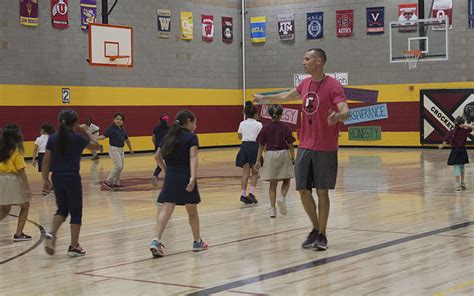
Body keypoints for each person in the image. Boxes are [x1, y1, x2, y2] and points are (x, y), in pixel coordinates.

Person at [253, 48, 349, 250]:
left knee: (322, 191)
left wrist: (337, 117)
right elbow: (287, 96)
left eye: (307, 59)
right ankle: (315, 228)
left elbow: (345, 111)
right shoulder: (305, 83)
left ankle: (322, 234)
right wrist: (264, 98)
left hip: (325, 147)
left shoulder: (333, 85)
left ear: (319, 61)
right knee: (303, 190)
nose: (303, 62)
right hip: (305, 145)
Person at [150, 109, 208, 258]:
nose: (196, 125)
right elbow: (193, 157)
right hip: (185, 176)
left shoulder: (169, 136)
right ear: (188, 121)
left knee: (167, 208)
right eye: (195, 122)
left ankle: (156, 241)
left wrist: (166, 170)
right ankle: (197, 242)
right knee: (192, 211)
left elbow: (157, 156)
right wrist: (193, 178)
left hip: (171, 176)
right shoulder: (191, 138)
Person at [43, 109, 101, 257]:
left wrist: (45, 179)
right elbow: (97, 146)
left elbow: (46, 161)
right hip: (72, 178)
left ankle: (51, 234)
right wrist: (86, 132)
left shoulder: (53, 138)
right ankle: (74, 246)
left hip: (57, 177)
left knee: (62, 210)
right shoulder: (78, 139)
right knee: (76, 212)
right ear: (75, 123)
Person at [255, 104, 295, 218]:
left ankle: (272, 209)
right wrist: (293, 157)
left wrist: (258, 160)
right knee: (287, 180)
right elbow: (290, 144)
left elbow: (261, 145)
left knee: (273, 184)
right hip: (283, 154)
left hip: (270, 155)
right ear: (281, 115)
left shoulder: (265, 127)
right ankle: (282, 197)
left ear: (269, 115)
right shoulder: (285, 127)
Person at [0, 124, 33, 242]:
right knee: (25, 206)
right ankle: (19, 233)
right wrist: (27, 188)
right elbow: (21, 172)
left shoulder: (1, 149)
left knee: (4, 209)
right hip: (11, 180)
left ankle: (19, 233)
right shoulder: (16, 150)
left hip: (0, 179)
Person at [236, 101, 262, 204]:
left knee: (245, 172)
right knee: (255, 172)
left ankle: (243, 194)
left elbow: (239, 136)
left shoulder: (242, 123)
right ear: (255, 113)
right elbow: (261, 139)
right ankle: (251, 193)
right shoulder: (259, 124)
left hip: (244, 147)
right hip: (254, 147)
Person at [98, 113, 133, 190]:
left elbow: (127, 140)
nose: (119, 121)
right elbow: (103, 137)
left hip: (121, 150)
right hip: (114, 149)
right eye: (117, 119)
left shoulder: (123, 130)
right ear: (114, 120)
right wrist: (94, 137)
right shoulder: (110, 129)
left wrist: (130, 149)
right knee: (118, 166)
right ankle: (107, 182)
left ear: (122, 121)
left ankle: (116, 183)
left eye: (120, 119)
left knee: (121, 167)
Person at [438, 116, 473, 192]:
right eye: (462, 123)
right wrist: (466, 126)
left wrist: (442, 145)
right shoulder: (456, 131)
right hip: (458, 151)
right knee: (459, 167)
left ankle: (461, 183)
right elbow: (445, 140)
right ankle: (459, 184)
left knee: (461, 167)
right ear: (459, 124)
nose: (463, 124)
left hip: (459, 151)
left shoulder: (458, 131)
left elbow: (444, 141)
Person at [32, 123, 55, 195]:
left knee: (45, 175)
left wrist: (33, 159)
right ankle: (45, 190)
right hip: (51, 156)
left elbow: (35, 149)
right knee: (47, 174)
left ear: (43, 130)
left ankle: (52, 187)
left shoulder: (38, 139)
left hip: (42, 156)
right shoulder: (51, 138)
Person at [151, 114, 170, 186]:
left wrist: (157, 146)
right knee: (169, 164)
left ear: (159, 121)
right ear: (167, 121)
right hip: (167, 149)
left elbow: (153, 138)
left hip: (158, 149)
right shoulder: (169, 128)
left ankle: (155, 175)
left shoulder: (156, 128)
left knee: (159, 164)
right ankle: (169, 178)